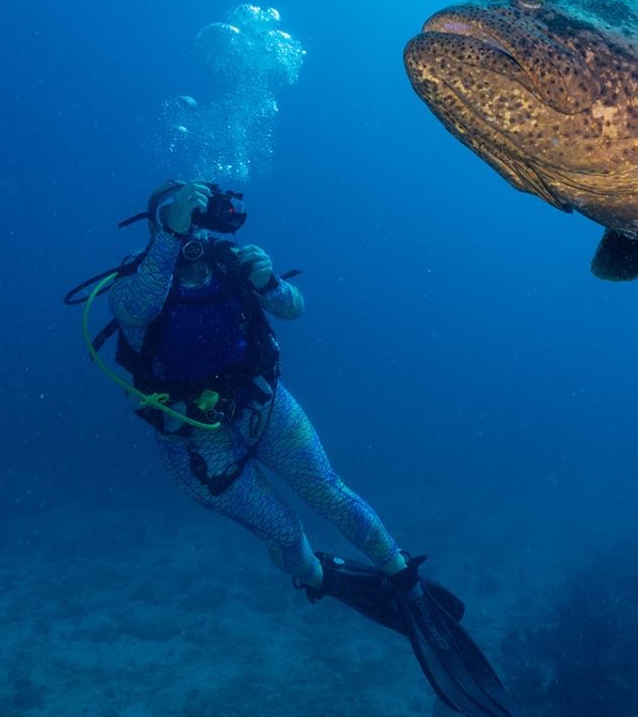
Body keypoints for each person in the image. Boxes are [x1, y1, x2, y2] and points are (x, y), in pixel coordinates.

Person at [105, 180, 515, 717]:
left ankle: (402, 577)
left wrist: (268, 280)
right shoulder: (137, 273)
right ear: (156, 220)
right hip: (194, 440)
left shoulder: (229, 262)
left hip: (262, 403)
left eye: (195, 216)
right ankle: (323, 579)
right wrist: (167, 236)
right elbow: (137, 310)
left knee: (327, 490)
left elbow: (292, 308)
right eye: (176, 215)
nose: (189, 229)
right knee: (281, 528)